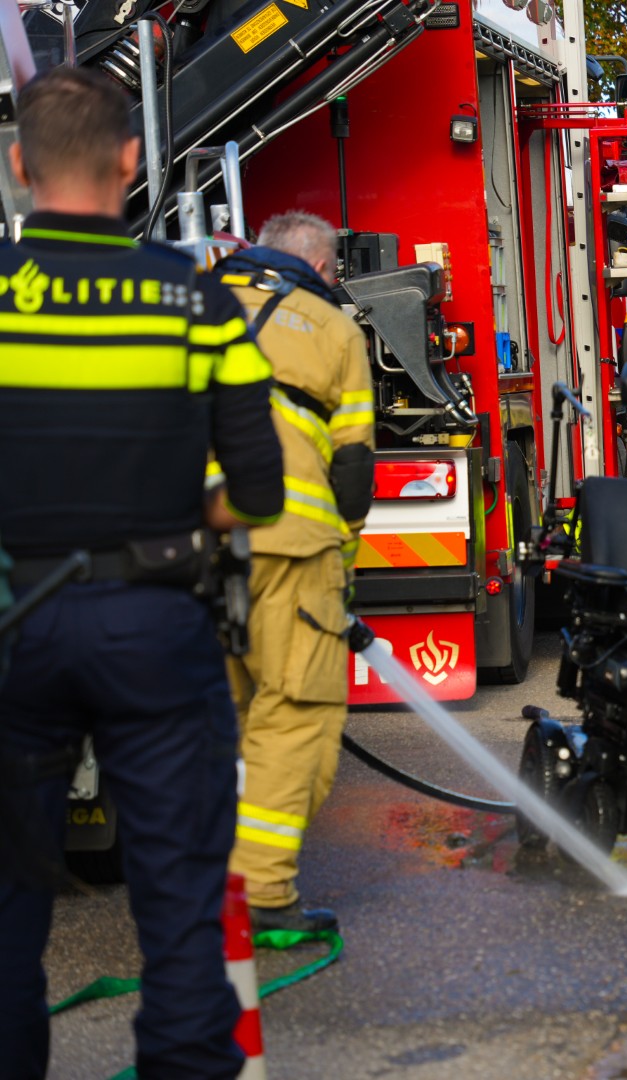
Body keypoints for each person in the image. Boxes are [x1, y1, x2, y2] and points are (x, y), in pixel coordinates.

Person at [0, 66, 283, 1079]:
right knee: (179, 918)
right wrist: (174, 516)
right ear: (132, 162)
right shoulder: (193, 296)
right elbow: (259, 490)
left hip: (11, 634)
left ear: (19, 165)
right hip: (155, 630)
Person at [214, 211, 375, 933]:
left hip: (185, 547)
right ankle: (261, 896)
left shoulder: (190, 302)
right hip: (292, 548)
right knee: (296, 718)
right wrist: (344, 565)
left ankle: (201, 888)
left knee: (212, 723)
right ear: (318, 264)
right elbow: (352, 470)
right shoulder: (334, 329)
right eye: (335, 269)